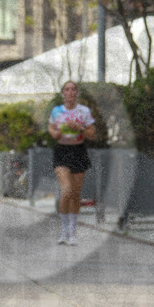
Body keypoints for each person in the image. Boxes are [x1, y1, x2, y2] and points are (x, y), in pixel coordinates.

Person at [47, 81, 96, 245]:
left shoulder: (84, 111)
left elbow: (92, 134)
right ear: (63, 93)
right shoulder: (57, 111)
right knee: (66, 190)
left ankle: (72, 232)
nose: (70, 92)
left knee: (75, 194)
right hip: (62, 151)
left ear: (77, 93)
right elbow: (51, 129)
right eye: (67, 89)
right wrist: (57, 132)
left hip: (78, 151)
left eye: (73, 89)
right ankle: (63, 231)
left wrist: (79, 127)